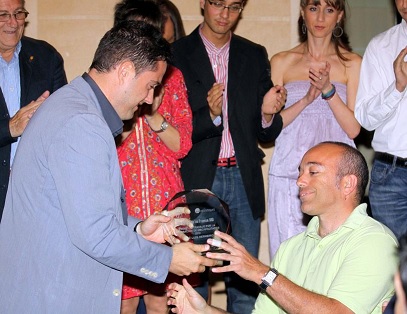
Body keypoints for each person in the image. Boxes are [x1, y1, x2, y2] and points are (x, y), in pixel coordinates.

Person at [0, 20, 217, 313]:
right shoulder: (83, 123)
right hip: (54, 297)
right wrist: (168, 260)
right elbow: (96, 234)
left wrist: (139, 228)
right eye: (151, 86)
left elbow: (80, 210)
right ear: (125, 70)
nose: (149, 99)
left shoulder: (73, 104)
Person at [167, 142, 398, 314]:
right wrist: (204, 311)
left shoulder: (375, 242)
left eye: (313, 171)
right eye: (300, 171)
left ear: (347, 183)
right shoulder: (291, 247)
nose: (299, 180)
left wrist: (261, 272)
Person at [171, 1, 286, 312]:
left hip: (243, 177)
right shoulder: (177, 53)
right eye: (217, 4)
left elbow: (266, 133)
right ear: (203, 4)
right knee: (195, 275)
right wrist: (209, 114)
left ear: (242, 9)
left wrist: (267, 113)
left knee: (245, 278)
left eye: (233, 6)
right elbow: (173, 129)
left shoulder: (253, 53)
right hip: (197, 180)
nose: (224, 14)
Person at [113, 1, 194, 313]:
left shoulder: (172, 78)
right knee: (123, 299)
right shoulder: (114, 78)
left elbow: (182, 145)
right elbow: (107, 140)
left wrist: (154, 113)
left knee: (162, 300)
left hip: (165, 200)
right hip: (124, 204)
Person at [267, 0, 361, 258]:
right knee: (288, 262)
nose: (320, 17)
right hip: (290, 176)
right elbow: (270, 126)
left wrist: (329, 91)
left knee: (335, 261)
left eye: (329, 10)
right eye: (313, 8)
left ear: (339, 16)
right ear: (302, 12)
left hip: (335, 178)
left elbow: (353, 129)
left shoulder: (352, 63)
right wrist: (306, 98)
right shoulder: (282, 62)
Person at [0, 0, 67, 219]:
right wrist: (9, 128)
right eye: (2, 15)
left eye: (18, 13)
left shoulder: (45, 57)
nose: (12, 22)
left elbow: (65, 126)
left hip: (36, 197)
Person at [354, 0, 407, 240]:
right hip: (391, 176)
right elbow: (365, 119)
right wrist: (396, 88)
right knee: (391, 267)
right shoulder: (381, 46)